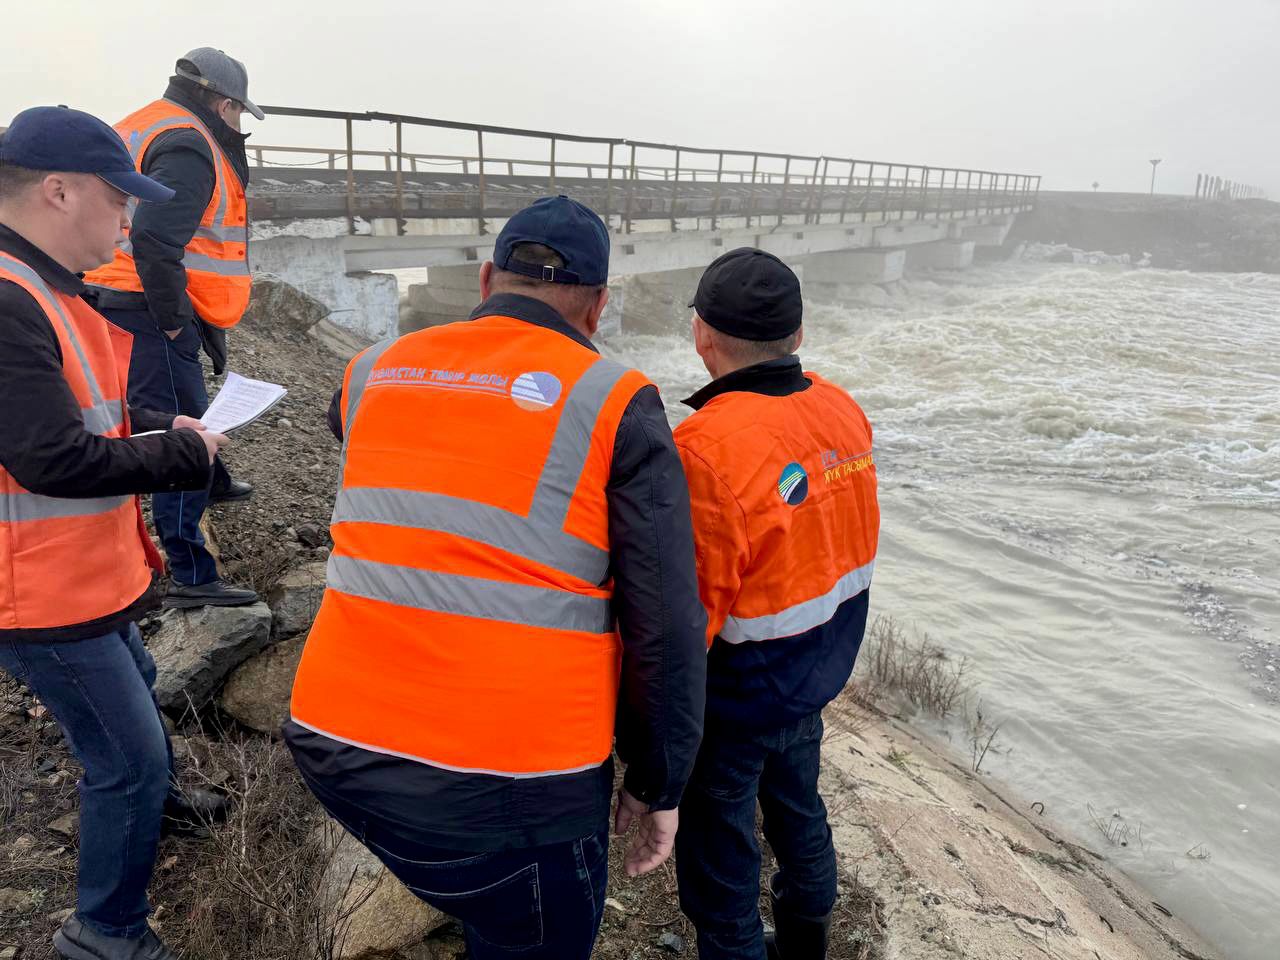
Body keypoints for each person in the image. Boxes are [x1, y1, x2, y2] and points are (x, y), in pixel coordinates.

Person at [286, 196, 707, 960]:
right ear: (599, 306)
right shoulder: (615, 401)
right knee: (534, 930)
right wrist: (658, 784)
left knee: (486, 903)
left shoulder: (371, 370)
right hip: (511, 782)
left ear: (486, 278)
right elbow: (667, 623)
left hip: (331, 741)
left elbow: (366, 428)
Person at [0, 105, 234, 960]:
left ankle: (158, 802)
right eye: (117, 198)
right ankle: (105, 933)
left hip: (82, 571)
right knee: (124, 758)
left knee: (137, 681)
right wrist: (175, 452)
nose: (129, 218)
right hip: (34, 592)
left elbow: (77, 414)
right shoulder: (8, 297)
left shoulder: (46, 287)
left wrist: (155, 421)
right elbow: (51, 460)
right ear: (58, 191)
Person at [672, 248, 880, 960]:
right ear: (797, 334)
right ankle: (805, 946)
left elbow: (684, 613)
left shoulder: (704, 446)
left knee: (722, 860)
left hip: (737, 700)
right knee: (800, 816)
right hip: (816, 674)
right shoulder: (841, 407)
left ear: (701, 334)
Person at [85, 47, 264, 609]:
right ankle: (191, 575)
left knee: (179, 404)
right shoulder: (190, 142)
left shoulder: (142, 124)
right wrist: (174, 325)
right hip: (146, 302)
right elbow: (156, 242)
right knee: (180, 429)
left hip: (110, 290)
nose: (238, 127)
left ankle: (214, 480)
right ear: (224, 102)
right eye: (239, 115)